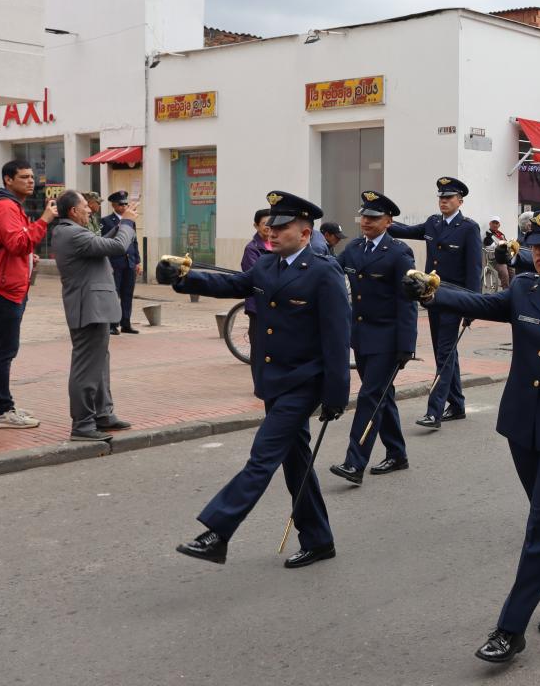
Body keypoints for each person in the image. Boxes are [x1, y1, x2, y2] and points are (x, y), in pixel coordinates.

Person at [405, 210, 540, 664]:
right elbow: (482, 305)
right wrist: (434, 292)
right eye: (535, 245)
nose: (539, 252)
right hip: (523, 427)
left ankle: (510, 629)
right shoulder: (523, 288)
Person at [160, 190, 350, 569]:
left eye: (282, 227)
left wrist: (335, 395)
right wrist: (183, 278)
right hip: (272, 379)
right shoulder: (268, 265)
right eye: (270, 227)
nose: (272, 233)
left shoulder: (324, 272)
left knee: (262, 456)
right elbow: (232, 285)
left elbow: (337, 338)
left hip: (303, 381)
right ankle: (319, 539)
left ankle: (218, 531)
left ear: (305, 231)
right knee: (295, 461)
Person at [327, 191, 417, 486]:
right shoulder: (353, 249)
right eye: (364, 216)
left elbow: (407, 302)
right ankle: (397, 453)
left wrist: (406, 346)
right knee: (381, 396)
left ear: (388, 221)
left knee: (369, 396)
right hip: (361, 336)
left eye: (374, 217)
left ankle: (355, 462)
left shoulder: (399, 253)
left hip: (388, 339)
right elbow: (329, 273)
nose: (366, 221)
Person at [388, 177, 482, 429]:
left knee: (444, 352)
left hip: (456, 298)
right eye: (441, 197)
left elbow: (475, 269)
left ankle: (435, 411)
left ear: (460, 201)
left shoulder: (468, 228)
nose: (443, 201)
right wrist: (383, 222)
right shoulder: (432, 223)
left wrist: (473, 305)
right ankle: (458, 404)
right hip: (432, 297)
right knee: (448, 352)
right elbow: (406, 231)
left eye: (449, 198)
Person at [51, 190, 135, 441]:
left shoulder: (70, 232)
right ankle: (83, 425)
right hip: (89, 308)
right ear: (73, 211)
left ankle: (102, 414)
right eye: (85, 207)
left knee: (99, 365)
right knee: (86, 369)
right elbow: (118, 246)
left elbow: (102, 246)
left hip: (93, 307)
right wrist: (128, 223)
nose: (90, 209)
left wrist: (122, 223)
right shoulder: (72, 233)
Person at [0, 159, 55, 429]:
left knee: (6, 350)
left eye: (32, 176)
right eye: (23, 177)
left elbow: (16, 246)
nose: (31, 181)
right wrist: (45, 220)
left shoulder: (13, 206)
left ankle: (5, 406)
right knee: (3, 352)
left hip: (11, 287)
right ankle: (2, 411)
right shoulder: (3, 207)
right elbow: (17, 243)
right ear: (8, 180)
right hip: (4, 290)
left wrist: (27, 258)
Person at [100, 190, 141, 335]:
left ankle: (126, 323)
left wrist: (137, 261)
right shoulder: (105, 221)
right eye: (121, 204)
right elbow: (104, 242)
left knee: (127, 294)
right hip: (114, 263)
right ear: (114, 205)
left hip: (129, 262)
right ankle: (112, 324)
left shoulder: (130, 221)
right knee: (113, 294)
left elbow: (134, 241)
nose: (124, 207)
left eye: (126, 204)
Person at [240, 208, 273, 358]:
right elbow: (256, 276)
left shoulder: (277, 243)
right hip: (258, 304)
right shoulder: (252, 249)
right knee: (259, 346)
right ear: (256, 226)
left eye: (271, 223)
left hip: (275, 303)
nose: (268, 227)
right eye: (264, 223)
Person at [483, 216, 512, 289]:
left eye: (497, 223)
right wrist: (504, 244)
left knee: (512, 270)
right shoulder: (487, 234)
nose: (495, 225)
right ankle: (506, 292)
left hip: (504, 257)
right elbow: (491, 246)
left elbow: (507, 245)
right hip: (495, 259)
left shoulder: (501, 234)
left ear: (499, 225)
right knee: (505, 273)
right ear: (490, 224)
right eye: (493, 223)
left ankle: (512, 289)